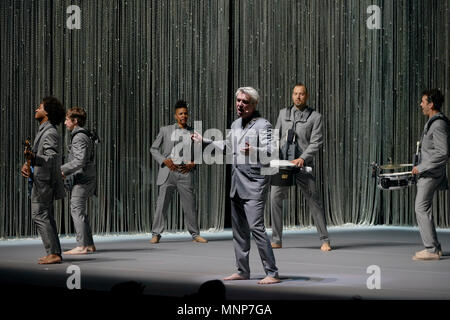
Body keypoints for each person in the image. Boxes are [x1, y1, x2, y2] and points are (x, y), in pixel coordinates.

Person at [193, 87, 280, 284]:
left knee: (256, 227)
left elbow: (272, 151)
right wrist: (204, 141)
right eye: (238, 101)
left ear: (254, 104)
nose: (240, 104)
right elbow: (228, 146)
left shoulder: (263, 125)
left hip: (254, 184)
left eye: (245, 102)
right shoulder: (236, 124)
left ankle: (272, 273)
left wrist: (254, 150)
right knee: (239, 230)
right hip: (237, 183)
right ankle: (242, 270)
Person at [270, 83, 331, 251]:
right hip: (284, 165)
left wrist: (303, 158)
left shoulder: (315, 117)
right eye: (295, 93)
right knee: (274, 198)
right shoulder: (283, 113)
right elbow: (276, 136)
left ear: (307, 96)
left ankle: (325, 240)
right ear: (292, 95)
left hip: (303, 166)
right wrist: (275, 157)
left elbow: (316, 142)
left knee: (314, 201)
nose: (298, 96)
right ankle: (276, 239)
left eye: (301, 94)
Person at [149, 100, 208, 244]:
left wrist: (193, 163)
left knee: (190, 205)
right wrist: (164, 160)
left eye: (186, 113)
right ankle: (156, 234)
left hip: (184, 173)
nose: (184, 116)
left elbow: (200, 152)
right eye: (181, 114)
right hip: (168, 172)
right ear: (176, 116)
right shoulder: (165, 130)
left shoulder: (194, 132)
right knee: (162, 204)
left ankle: (195, 234)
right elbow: (153, 148)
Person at [21, 96, 66, 264]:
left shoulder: (50, 132)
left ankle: (54, 253)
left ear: (46, 112)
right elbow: (40, 157)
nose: (36, 110)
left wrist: (34, 157)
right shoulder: (45, 130)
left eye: (39, 107)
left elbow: (51, 159)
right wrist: (28, 163)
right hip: (41, 180)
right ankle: (54, 252)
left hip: (44, 182)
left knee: (39, 214)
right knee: (45, 215)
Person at [411, 88, 448, 261]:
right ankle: (436, 248)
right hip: (430, 171)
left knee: (421, 208)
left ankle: (432, 250)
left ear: (431, 104)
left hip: (431, 173)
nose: (421, 104)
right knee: (424, 208)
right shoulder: (433, 121)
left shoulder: (438, 124)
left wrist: (423, 167)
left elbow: (443, 152)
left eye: (423, 101)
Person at [61, 107, 97, 255]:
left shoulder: (79, 136)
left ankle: (81, 246)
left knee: (76, 209)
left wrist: (61, 170)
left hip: (83, 179)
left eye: (67, 120)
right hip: (85, 177)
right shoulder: (81, 135)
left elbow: (80, 161)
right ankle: (88, 245)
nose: (64, 123)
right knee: (80, 210)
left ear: (75, 121)